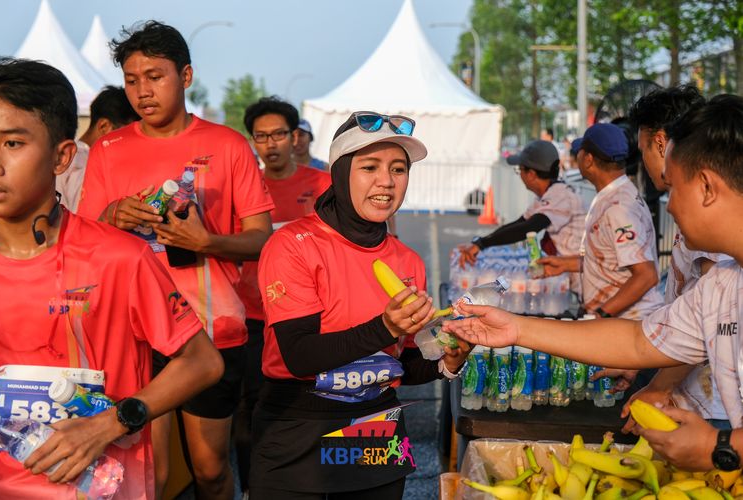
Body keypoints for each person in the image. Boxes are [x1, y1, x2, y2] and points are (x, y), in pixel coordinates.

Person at [443, 95, 743, 471]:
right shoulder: (721, 287)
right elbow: (638, 341)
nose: (669, 206)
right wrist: (516, 329)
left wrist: (720, 446)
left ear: (707, 188)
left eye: (675, 189)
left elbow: (643, 283)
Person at [0, 57, 223, 499]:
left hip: (103, 487)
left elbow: (202, 362)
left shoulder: (119, 257)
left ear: (62, 156)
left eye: (13, 143)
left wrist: (113, 422)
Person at [77, 21, 274, 500]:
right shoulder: (108, 149)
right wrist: (111, 215)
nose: (142, 91)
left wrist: (205, 241)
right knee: (153, 474)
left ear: (185, 76)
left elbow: (262, 240)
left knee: (210, 470)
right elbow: (83, 242)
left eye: (155, 77)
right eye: (131, 80)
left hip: (211, 328)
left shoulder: (228, 145)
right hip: (134, 330)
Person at [250, 111, 471, 499]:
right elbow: (299, 356)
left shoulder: (407, 261)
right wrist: (385, 327)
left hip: (377, 424)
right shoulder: (292, 245)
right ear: (339, 173)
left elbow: (398, 364)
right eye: (370, 167)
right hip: (299, 422)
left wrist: (447, 362)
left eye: (398, 169)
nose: (386, 181)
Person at [595, 85, 731, 429]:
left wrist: (659, 386)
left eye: (643, 148)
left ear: (660, 143)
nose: (669, 207)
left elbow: (706, 324)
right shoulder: (701, 220)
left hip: (711, 407)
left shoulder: (709, 225)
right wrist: (647, 362)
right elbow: (682, 322)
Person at [234, 96, 331, 490]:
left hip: (314, 315)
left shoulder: (323, 184)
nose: (270, 144)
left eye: (277, 134)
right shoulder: (245, 188)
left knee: (313, 401)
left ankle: (316, 481)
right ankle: (253, 487)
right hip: (254, 316)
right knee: (252, 405)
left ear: (295, 137)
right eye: (260, 137)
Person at [540, 123, 664, 319]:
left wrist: (601, 315)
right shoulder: (613, 195)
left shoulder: (618, 208)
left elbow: (646, 275)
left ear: (588, 159)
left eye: (579, 152)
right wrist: (564, 264)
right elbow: (610, 258)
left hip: (626, 322)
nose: (576, 156)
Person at [457, 140, 586, 293]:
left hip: (584, 281)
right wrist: (480, 243)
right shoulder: (549, 194)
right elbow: (520, 223)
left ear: (531, 174)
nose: (520, 175)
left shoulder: (561, 196)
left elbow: (528, 228)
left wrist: (482, 244)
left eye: (520, 170)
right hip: (569, 277)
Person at [56, 85, 139, 212]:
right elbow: (82, 217)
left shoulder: (73, 158)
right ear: (104, 126)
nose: (130, 145)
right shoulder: (81, 163)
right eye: (125, 135)